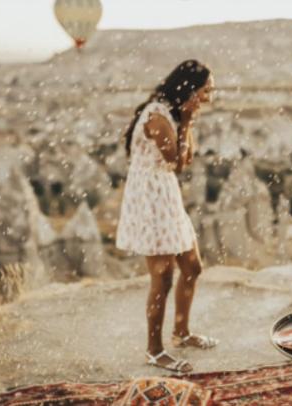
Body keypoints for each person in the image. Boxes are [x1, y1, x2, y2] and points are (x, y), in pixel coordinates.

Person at [116, 60, 217, 373]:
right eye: (205, 91)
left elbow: (184, 160)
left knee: (192, 267)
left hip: (165, 192)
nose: (209, 98)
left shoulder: (172, 114)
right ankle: (154, 350)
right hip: (150, 196)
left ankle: (181, 332)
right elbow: (176, 160)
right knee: (162, 277)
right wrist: (186, 122)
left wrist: (187, 121)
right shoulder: (158, 116)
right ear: (188, 89)